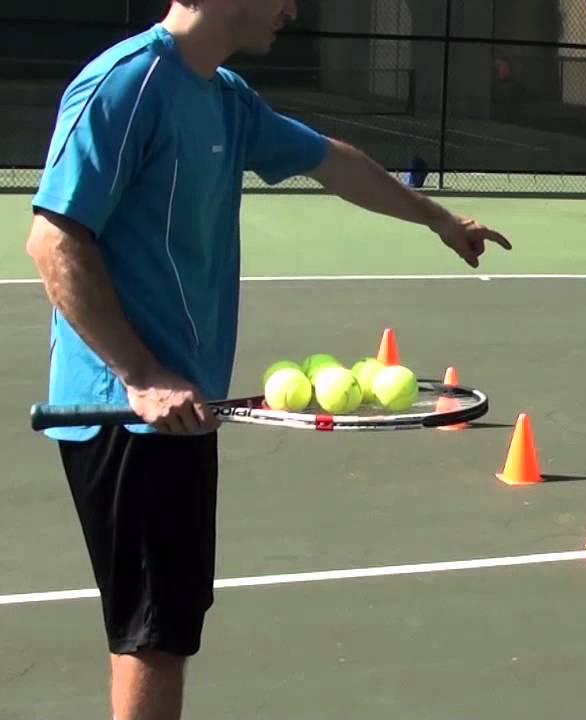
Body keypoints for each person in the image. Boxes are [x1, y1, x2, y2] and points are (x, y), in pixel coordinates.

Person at [23, 2, 510, 718]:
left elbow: (331, 161)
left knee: (156, 628)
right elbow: (53, 241)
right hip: (129, 413)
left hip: (177, 406)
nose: (293, 7)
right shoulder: (127, 85)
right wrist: (142, 373)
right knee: (156, 632)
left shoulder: (225, 100)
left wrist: (438, 218)